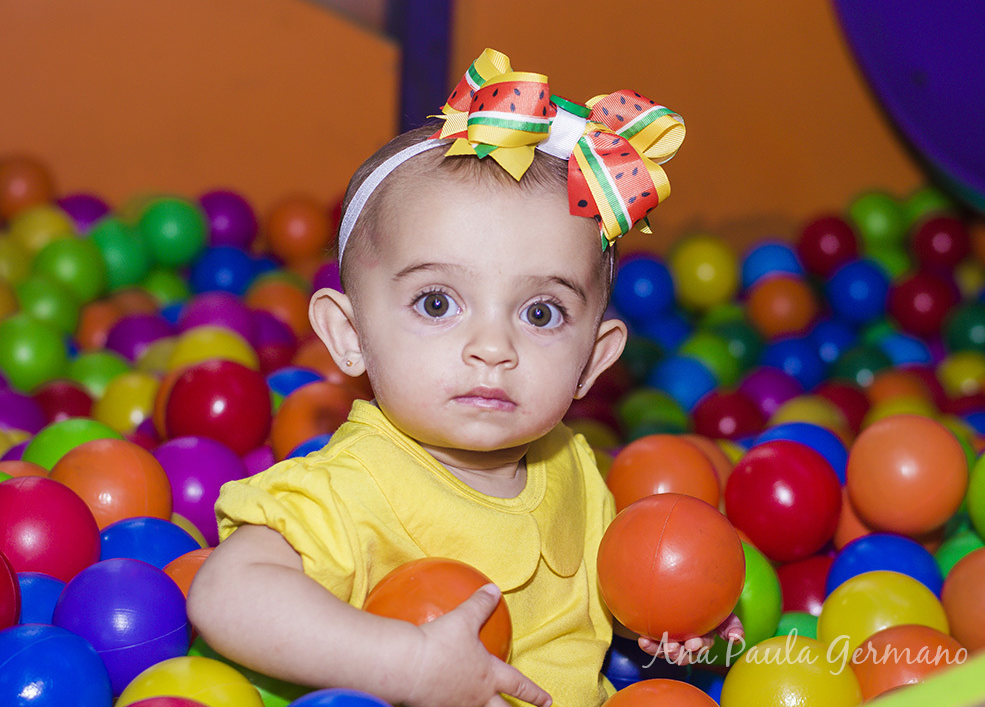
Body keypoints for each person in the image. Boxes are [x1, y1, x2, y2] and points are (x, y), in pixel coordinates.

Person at [187, 49, 741, 707]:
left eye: (541, 313)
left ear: (594, 359)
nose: (491, 347)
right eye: (437, 303)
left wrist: (680, 633)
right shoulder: (354, 486)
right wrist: (403, 665)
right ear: (349, 335)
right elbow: (228, 594)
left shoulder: (579, 476)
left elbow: (605, 616)